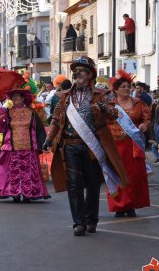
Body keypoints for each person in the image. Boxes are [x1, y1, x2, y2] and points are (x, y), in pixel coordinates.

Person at [43, 56, 128, 236]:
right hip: (70, 146)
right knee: (74, 185)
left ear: (90, 74)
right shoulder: (65, 96)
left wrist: (103, 108)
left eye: (81, 70)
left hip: (92, 146)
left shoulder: (102, 95)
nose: (76, 73)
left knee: (92, 183)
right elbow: (57, 119)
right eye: (75, 70)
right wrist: (49, 139)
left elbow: (114, 114)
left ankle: (91, 220)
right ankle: (78, 223)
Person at [0, 88, 50, 202]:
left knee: (28, 172)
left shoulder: (31, 112)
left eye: (18, 97)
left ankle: (28, 193)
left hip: (29, 147)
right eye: (13, 97)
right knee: (13, 171)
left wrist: (43, 144)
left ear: (23, 99)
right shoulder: (7, 112)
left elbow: (39, 129)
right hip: (12, 147)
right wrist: (2, 113)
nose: (15, 99)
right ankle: (14, 192)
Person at [106, 71, 151, 217]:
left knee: (133, 176)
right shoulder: (110, 105)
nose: (126, 88)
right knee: (116, 174)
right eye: (123, 86)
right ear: (116, 89)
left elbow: (147, 118)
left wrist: (144, 125)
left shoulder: (138, 103)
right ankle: (119, 205)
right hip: (115, 145)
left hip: (133, 145)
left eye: (128, 86)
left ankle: (131, 204)